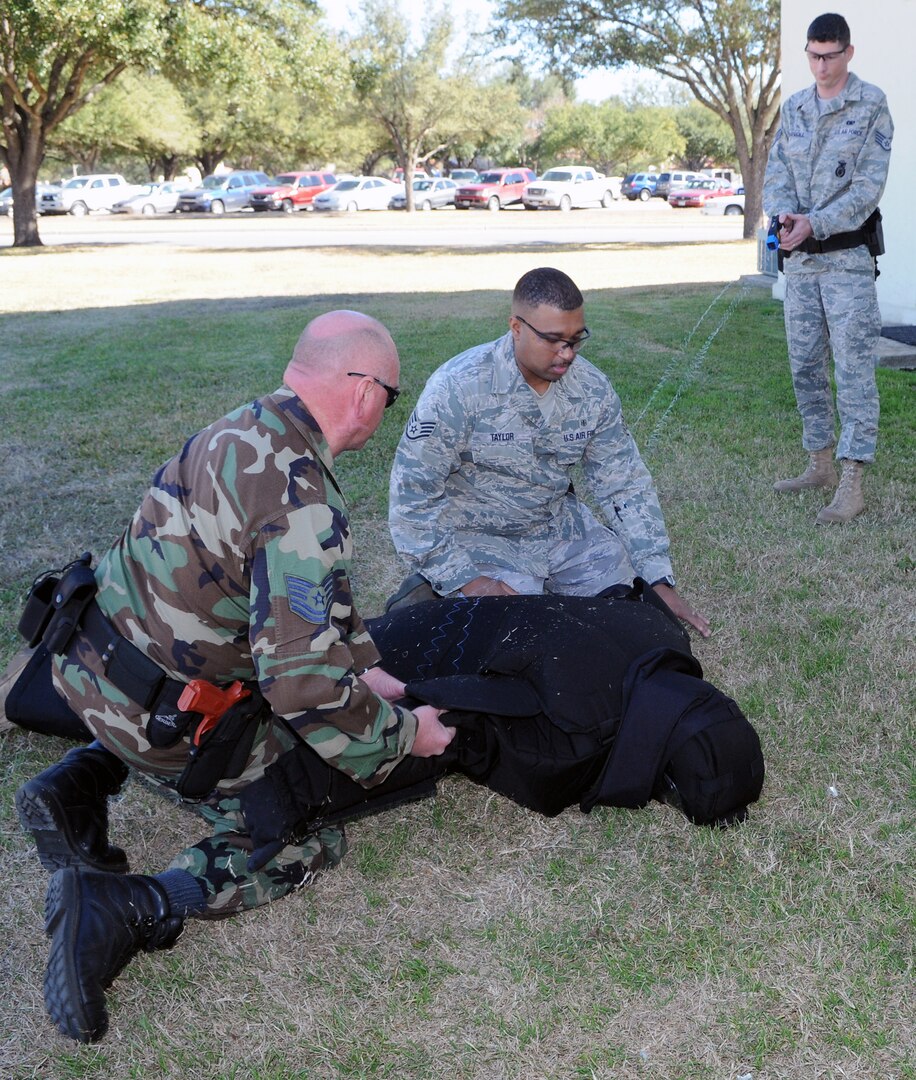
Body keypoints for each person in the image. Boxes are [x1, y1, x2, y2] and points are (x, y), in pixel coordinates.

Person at [15, 310, 454, 1044]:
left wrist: (372, 674)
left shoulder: (240, 430)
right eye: (392, 396)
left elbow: (307, 611)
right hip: (158, 721)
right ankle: (132, 906)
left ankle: (77, 782)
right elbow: (303, 686)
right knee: (295, 827)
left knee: (239, 688)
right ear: (366, 392)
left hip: (83, 672)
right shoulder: (303, 501)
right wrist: (409, 736)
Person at [387, 267, 710, 636]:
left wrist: (657, 579)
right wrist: (466, 579)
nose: (568, 353)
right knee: (520, 633)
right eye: (554, 339)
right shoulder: (458, 388)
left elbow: (624, 483)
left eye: (576, 339)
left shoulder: (591, 389)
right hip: (478, 535)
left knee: (628, 616)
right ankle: (430, 590)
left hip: (555, 527)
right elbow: (412, 497)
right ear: (516, 327)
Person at [764, 12, 893, 524]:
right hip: (801, 267)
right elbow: (776, 171)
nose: (821, 65)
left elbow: (867, 189)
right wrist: (783, 218)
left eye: (830, 55)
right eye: (814, 55)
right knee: (804, 366)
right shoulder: (794, 107)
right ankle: (818, 463)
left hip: (846, 264)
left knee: (853, 368)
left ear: (848, 53)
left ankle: (852, 480)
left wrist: (813, 222)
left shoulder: (871, 105)